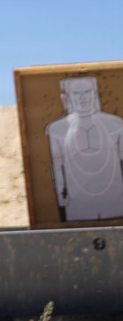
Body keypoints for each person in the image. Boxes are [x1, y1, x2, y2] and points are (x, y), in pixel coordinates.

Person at [46, 76, 123, 222]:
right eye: (76, 93)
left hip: (115, 196)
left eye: (87, 92)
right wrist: (61, 195)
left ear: (94, 94)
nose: (82, 97)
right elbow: (57, 165)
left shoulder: (116, 124)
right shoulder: (56, 129)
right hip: (77, 199)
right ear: (67, 97)